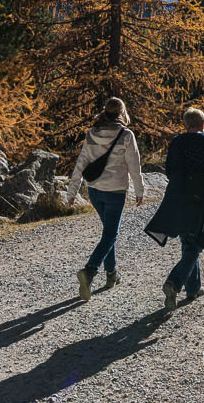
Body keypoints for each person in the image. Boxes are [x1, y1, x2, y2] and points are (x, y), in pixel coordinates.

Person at [144, 106, 204, 311]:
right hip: (199, 197)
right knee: (199, 241)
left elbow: (169, 170)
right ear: (203, 124)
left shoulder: (177, 141)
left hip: (176, 197)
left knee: (189, 240)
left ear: (187, 125)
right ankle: (174, 282)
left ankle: (193, 288)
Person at [65, 97, 144, 302]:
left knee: (108, 234)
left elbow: (81, 163)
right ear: (122, 113)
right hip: (115, 191)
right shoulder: (126, 135)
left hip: (95, 191)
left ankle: (112, 275)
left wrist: (72, 192)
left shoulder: (92, 133)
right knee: (110, 234)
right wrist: (139, 190)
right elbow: (134, 165)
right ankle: (90, 271)